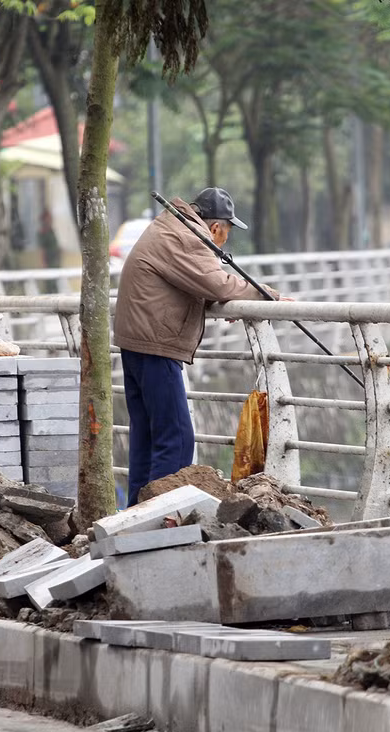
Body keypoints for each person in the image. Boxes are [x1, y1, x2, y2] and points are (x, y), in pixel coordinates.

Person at [114, 187, 289, 507]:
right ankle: (162, 516)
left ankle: (135, 514)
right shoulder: (188, 236)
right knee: (176, 438)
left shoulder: (171, 226)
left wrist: (217, 299)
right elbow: (217, 282)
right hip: (156, 344)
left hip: (137, 341)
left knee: (146, 437)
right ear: (216, 228)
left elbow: (188, 280)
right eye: (227, 233)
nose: (224, 242)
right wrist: (268, 295)